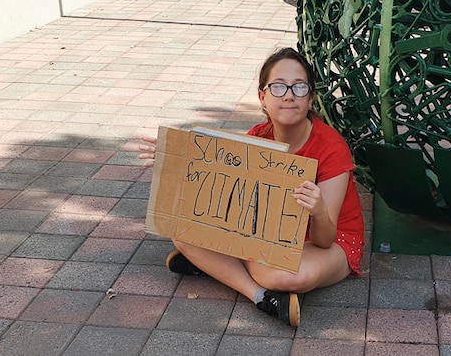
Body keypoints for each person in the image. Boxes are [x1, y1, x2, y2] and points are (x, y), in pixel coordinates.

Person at [138, 47, 365, 327]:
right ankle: (260, 296)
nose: (289, 95)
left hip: (329, 241)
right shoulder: (258, 138)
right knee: (181, 229)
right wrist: (176, 156)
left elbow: (324, 239)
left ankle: (219, 265)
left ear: (310, 98)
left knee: (287, 276)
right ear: (263, 97)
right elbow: (220, 190)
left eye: (299, 87)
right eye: (278, 87)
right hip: (268, 235)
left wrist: (318, 210)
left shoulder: (331, 148)